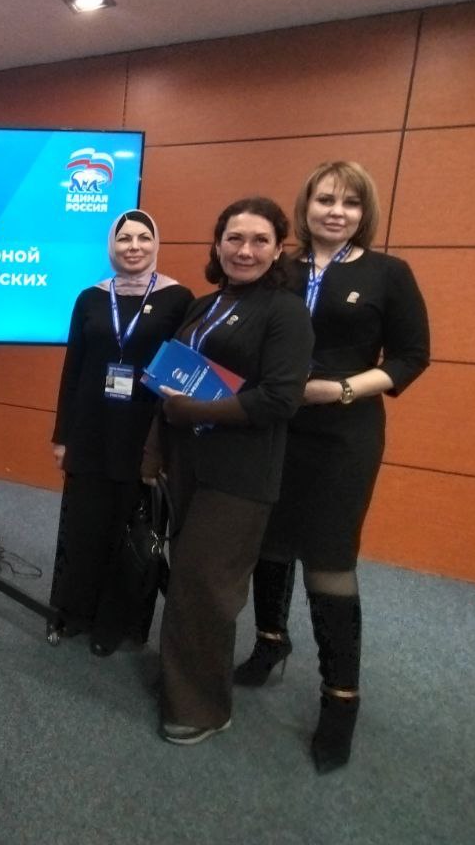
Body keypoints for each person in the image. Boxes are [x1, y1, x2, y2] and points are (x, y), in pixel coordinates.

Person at [234, 162, 429, 773]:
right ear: (306, 205)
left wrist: (341, 389)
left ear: (364, 211)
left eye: (349, 202)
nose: (335, 211)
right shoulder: (281, 267)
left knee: (329, 560)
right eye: (324, 199)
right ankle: (270, 643)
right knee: (267, 542)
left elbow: (411, 356)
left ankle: (340, 699)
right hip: (276, 426)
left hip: (344, 433)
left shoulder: (388, 272)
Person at [147, 197, 313, 745]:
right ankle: (184, 680)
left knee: (206, 587)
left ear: (279, 249)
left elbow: (280, 399)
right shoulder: (204, 305)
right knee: (188, 577)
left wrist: (192, 410)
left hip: (240, 473)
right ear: (217, 244)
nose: (245, 250)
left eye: (260, 240)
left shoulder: (285, 312)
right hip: (188, 463)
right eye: (234, 238)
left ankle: (204, 709)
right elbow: (169, 381)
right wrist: (156, 451)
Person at [49, 210, 193, 655]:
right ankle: (75, 612)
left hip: (143, 432)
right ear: (112, 245)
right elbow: (73, 369)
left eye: (143, 238)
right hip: (91, 429)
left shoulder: (178, 299)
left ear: (156, 244)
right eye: (124, 238)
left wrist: (167, 445)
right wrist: (62, 436)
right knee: (84, 525)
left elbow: (181, 376)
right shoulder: (90, 298)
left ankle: (118, 624)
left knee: (131, 529)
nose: (134, 246)